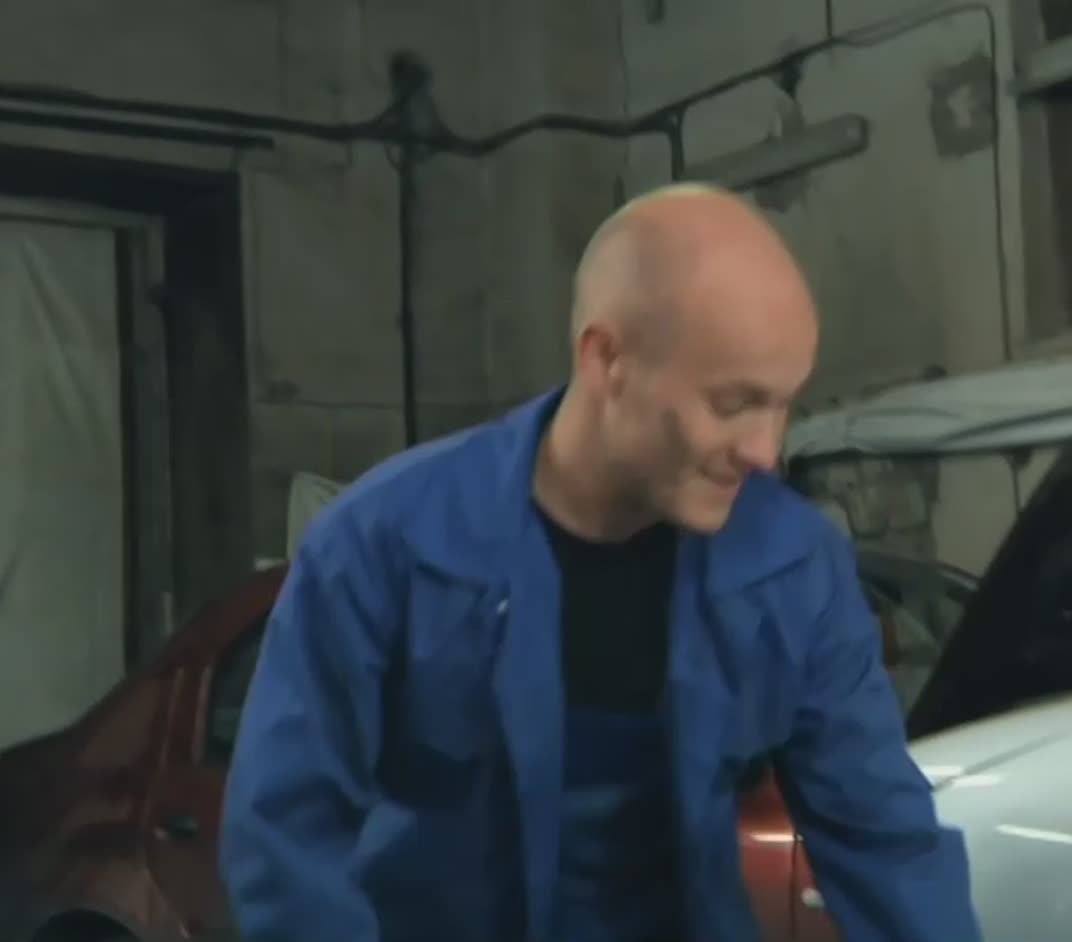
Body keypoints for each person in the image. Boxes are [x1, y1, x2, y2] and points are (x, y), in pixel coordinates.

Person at [220, 183, 982, 942]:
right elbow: (287, 839)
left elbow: (886, 839)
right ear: (606, 357)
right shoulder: (385, 546)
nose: (765, 451)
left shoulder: (794, 569)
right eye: (734, 404)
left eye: (784, 404)